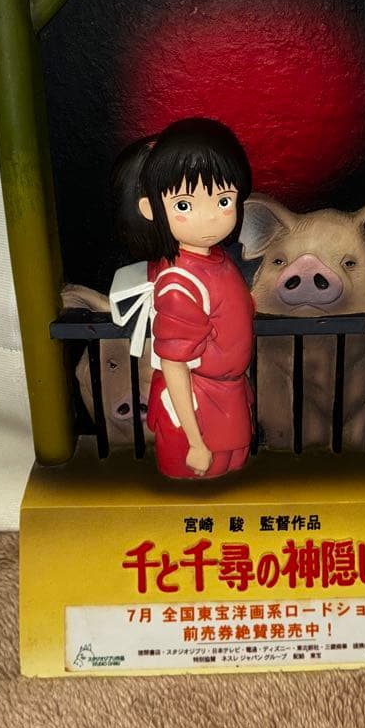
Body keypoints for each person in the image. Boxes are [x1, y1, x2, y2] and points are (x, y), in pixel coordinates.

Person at [112, 118, 255, 479]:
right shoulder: (179, 283)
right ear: (151, 209)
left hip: (229, 396)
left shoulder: (218, 259)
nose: (210, 218)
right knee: (198, 486)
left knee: (230, 480)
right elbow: (174, 364)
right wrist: (195, 441)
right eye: (184, 205)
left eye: (223, 200)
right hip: (194, 406)